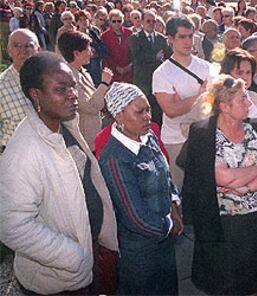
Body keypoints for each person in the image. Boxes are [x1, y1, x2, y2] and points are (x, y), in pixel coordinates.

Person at [0, 51, 118, 295]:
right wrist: (72, 257)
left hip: (87, 260)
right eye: (61, 89)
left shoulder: (65, 126)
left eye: (72, 87)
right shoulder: (24, 151)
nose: (72, 95)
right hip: (57, 281)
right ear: (36, 95)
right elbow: (11, 225)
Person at [182, 74, 257, 295]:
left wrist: (246, 187)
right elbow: (223, 178)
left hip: (256, 217)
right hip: (222, 221)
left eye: (247, 97)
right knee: (224, 277)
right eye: (242, 100)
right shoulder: (203, 134)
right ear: (225, 106)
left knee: (251, 274)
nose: (249, 104)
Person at [98, 82, 182, 295]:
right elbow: (136, 218)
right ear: (118, 116)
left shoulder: (148, 136)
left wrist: (173, 204)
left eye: (148, 110)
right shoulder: (114, 159)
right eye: (139, 112)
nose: (147, 117)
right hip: (140, 253)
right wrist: (170, 224)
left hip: (163, 240)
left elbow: (165, 173)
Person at [153, 15, 216, 189]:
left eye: (190, 36)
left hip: (204, 137)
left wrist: (184, 101)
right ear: (170, 39)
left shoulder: (206, 67)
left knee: (205, 190)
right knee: (179, 191)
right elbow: (171, 110)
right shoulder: (161, 73)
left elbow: (216, 102)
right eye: (182, 37)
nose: (188, 41)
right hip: (176, 141)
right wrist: (200, 95)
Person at [58, 31, 113, 153]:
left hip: (94, 136)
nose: (91, 52)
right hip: (84, 141)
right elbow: (91, 106)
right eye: (88, 48)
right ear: (76, 53)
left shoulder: (83, 72)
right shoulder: (69, 79)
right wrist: (104, 84)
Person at [129, 9, 172, 126]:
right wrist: (155, 57)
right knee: (143, 112)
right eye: (148, 21)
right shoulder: (135, 38)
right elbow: (136, 56)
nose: (151, 23)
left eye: (154, 21)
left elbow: (169, 55)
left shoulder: (161, 39)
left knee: (158, 114)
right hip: (142, 81)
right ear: (142, 22)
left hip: (158, 81)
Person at [0, 29, 39, 154]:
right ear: (9, 50)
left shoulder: (51, 79)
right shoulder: (1, 86)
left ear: (38, 49)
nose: (23, 51)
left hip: (52, 152)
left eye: (29, 45)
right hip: (17, 156)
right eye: (16, 45)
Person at [101, 9, 133, 82]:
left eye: (119, 21)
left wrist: (130, 66)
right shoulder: (104, 36)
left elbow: (134, 52)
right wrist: (116, 67)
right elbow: (105, 55)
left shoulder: (129, 33)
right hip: (113, 73)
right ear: (110, 22)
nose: (117, 23)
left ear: (122, 21)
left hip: (128, 72)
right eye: (114, 21)